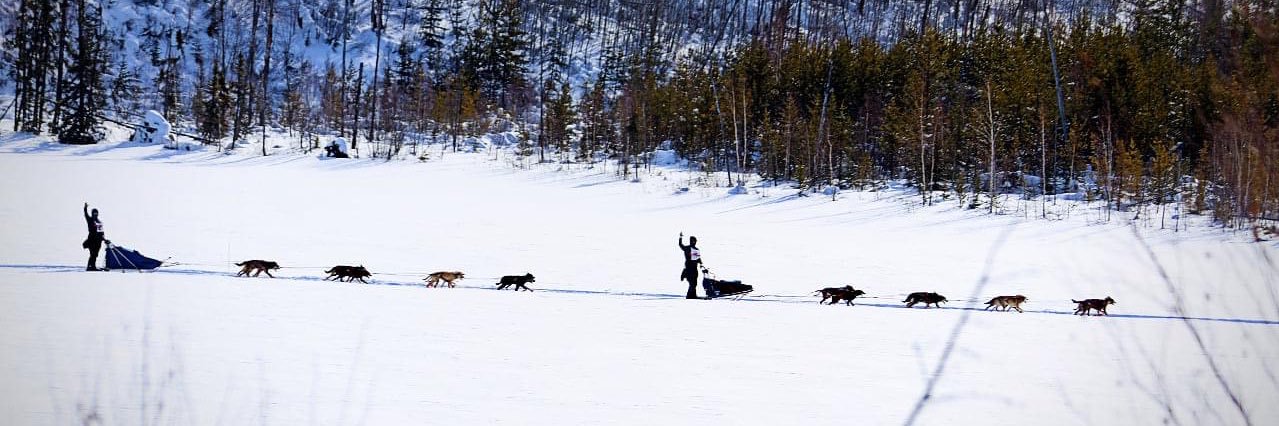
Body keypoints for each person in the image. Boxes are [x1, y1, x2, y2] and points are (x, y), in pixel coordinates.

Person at [82, 203, 109, 271]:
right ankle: (90, 267)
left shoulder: (99, 222)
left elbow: (101, 232)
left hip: (98, 241)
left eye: (96, 213)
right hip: (91, 240)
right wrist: (85, 208)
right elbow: (86, 215)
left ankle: (93, 266)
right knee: (93, 254)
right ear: (92, 214)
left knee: (95, 254)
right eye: (94, 213)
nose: (95, 214)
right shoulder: (90, 220)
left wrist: (104, 239)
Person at [678, 232, 703, 299]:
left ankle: (693, 295)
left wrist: (701, 264)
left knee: (694, 283)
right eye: (693, 241)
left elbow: (698, 258)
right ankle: (690, 296)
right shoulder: (688, 248)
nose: (694, 242)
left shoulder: (696, 249)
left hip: (694, 268)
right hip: (689, 269)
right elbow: (680, 245)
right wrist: (680, 237)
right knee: (692, 283)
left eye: (695, 241)